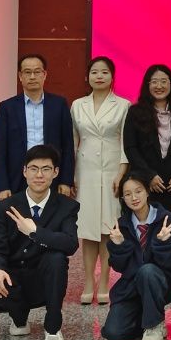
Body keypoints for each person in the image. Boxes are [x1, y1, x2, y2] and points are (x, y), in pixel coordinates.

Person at [0, 144, 79, 340]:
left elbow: (71, 243)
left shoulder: (66, 206)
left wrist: (35, 231)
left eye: (46, 169)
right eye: (34, 168)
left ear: (55, 172)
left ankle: (53, 329)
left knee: (57, 258)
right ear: (24, 171)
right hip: (16, 278)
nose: (39, 175)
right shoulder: (7, 206)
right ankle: (19, 317)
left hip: (46, 279)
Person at [71, 56, 129, 306]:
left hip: (111, 171)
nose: (99, 76)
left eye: (104, 72)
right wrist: (72, 176)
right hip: (86, 171)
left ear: (112, 77)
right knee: (87, 230)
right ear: (87, 77)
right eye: (94, 72)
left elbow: (126, 143)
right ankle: (88, 281)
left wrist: (121, 174)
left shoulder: (123, 105)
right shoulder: (77, 105)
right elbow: (73, 142)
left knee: (107, 228)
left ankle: (104, 280)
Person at [103, 172, 171, 340]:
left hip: (159, 282)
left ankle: (154, 324)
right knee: (113, 333)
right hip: (131, 287)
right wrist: (119, 245)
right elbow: (119, 267)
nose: (134, 198)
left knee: (147, 271)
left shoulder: (165, 220)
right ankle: (145, 318)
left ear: (147, 191)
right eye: (128, 194)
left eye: (138, 191)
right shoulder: (121, 225)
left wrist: (162, 243)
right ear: (123, 198)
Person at [0, 53, 75, 200]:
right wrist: (2, 186)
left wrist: (66, 180)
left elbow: (68, 145)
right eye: (27, 72)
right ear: (20, 76)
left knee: (51, 214)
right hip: (17, 177)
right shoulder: (7, 107)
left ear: (44, 75)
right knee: (17, 215)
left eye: (37, 72)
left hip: (52, 176)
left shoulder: (59, 105)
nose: (32, 77)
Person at [123, 64, 171, 214]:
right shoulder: (135, 112)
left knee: (170, 224)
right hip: (144, 183)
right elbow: (130, 147)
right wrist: (149, 175)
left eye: (164, 81)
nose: (159, 86)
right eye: (154, 82)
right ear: (147, 85)